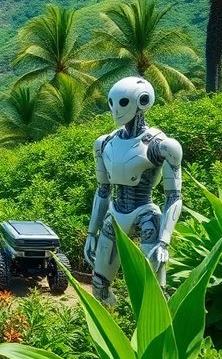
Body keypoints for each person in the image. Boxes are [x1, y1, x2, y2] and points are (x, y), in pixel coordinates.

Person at [83, 77, 183, 305]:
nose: (117, 110)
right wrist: (91, 233)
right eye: (112, 103)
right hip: (115, 215)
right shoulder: (104, 143)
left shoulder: (162, 145)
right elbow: (102, 190)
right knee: (99, 286)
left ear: (143, 101)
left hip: (146, 214)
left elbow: (174, 196)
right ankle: (115, 328)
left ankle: (151, 328)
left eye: (124, 102)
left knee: (154, 290)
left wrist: (164, 241)